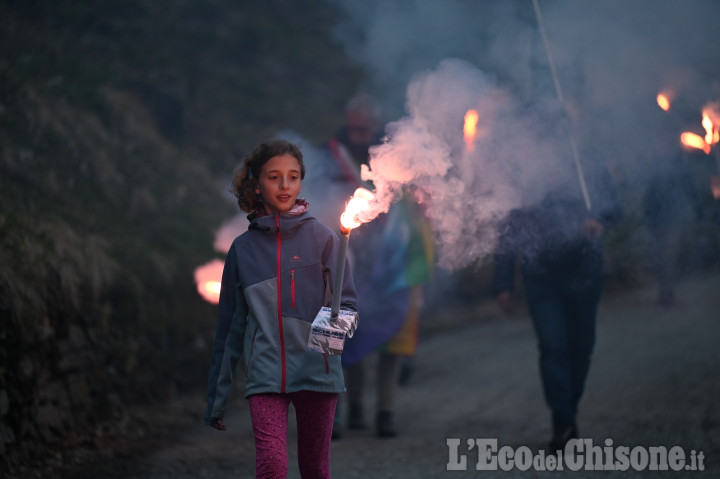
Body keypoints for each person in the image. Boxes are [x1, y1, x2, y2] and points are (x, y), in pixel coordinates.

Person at [203, 139, 358, 478]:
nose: (285, 185)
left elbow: (347, 303)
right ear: (256, 184)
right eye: (274, 177)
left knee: (315, 469)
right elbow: (229, 328)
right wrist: (217, 399)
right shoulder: (242, 250)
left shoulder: (325, 238)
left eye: (293, 176)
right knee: (272, 467)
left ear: (302, 181)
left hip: (318, 373)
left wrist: (334, 329)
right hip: (265, 376)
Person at [318, 93, 433, 438]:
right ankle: (342, 412)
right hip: (345, 258)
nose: (357, 134)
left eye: (363, 128)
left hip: (392, 259)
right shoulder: (329, 155)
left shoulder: (395, 154)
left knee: (390, 335)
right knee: (338, 334)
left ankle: (385, 411)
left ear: (374, 126)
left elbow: (416, 204)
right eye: (352, 127)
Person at [493, 160, 621, 452]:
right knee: (552, 347)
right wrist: (503, 283)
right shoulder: (523, 172)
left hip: (585, 272)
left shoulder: (587, 164)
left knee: (581, 347)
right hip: (540, 276)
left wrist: (599, 220)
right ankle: (561, 421)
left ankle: (568, 410)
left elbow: (616, 208)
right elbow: (509, 228)